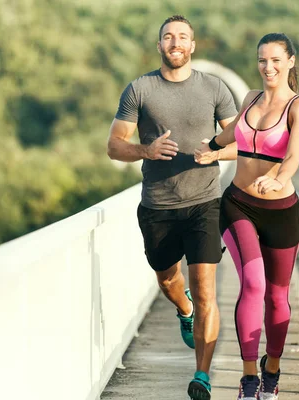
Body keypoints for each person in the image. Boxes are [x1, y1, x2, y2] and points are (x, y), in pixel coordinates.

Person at [106, 15, 238, 400]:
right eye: (168, 37)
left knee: (206, 290)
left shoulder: (215, 88)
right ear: (159, 44)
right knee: (169, 281)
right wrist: (145, 150)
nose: (175, 42)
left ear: (193, 45)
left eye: (182, 37)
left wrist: (212, 149)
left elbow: (238, 141)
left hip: (204, 203)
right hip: (158, 206)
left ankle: (202, 376)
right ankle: (184, 310)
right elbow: (114, 145)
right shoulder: (140, 89)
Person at [195, 33, 299, 399]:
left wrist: (276, 177)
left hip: (280, 209)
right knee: (254, 285)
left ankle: (271, 372)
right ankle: (248, 380)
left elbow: (292, 157)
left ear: (290, 61)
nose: (268, 67)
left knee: (277, 296)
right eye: (262, 60)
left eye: (276, 60)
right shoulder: (249, 99)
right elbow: (236, 133)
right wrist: (212, 148)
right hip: (239, 204)